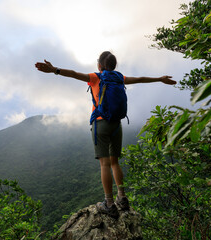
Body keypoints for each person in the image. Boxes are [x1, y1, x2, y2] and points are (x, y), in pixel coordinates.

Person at [35, 51, 176, 218]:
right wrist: (160, 78)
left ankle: (109, 203)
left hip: (101, 124)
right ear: (114, 66)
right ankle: (122, 197)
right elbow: (140, 79)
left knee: (104, 164)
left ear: (99, 65)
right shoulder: (119, 78)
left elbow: (73, 74)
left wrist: (55, 70)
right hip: (117, 124)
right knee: (115, 162)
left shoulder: (95, 77)